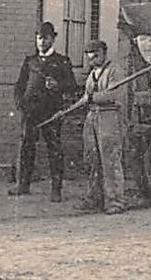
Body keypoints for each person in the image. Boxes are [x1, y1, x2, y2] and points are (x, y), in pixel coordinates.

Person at [9, 21, 77, 202]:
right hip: (30, 112)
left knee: (54, 148)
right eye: (39, 38)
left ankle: (56, 189)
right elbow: (20, 86)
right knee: (26, 147)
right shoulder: (30, 61)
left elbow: (72, 87)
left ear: (53, 39)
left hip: (51, 112)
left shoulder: (62, 61)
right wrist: (20, 104)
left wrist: (58, 86)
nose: (42, 42)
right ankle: (23, 184)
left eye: (46, 38)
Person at [75, 39, 129, 214]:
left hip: (109, 116)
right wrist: (84, 100)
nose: (93, 60)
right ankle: (94, 198)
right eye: (90, 58)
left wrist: (92, 98)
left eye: (96, 56)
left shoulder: (115, 71)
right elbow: (86, 95)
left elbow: (114, 94)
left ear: (104, 53)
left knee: (110, 160)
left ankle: (115, 201)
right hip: (93, 116)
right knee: (92, 159)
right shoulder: (92, 75)